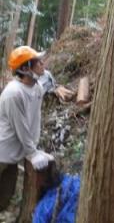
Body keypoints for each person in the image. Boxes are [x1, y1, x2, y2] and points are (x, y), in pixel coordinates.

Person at [0, 46, 55, 211]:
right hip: (2, 152)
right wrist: (32, 153)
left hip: (14, 155)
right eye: (38, 62)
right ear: (25, 68)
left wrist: (35, 148)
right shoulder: (13, 93)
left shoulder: (37, 88)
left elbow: (34, 120)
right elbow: (21, 127)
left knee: (4, 199)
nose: (42, 63)